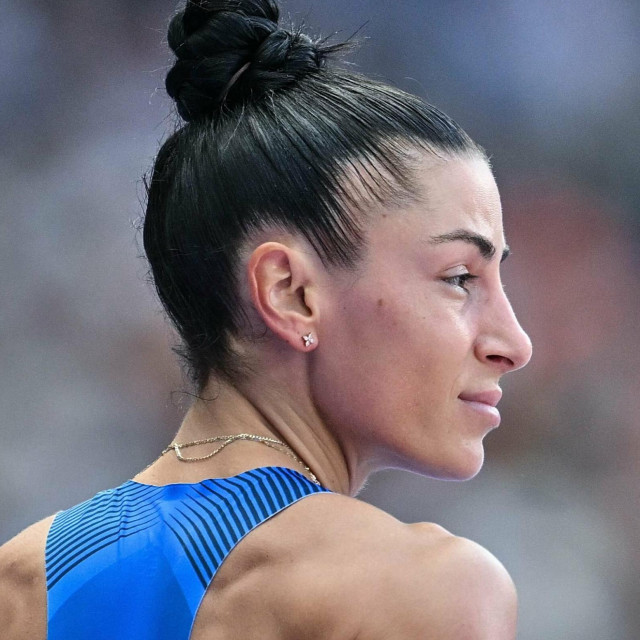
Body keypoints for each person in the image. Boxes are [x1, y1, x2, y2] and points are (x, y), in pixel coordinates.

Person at [0, 0, 532, 638]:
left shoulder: (20, 583)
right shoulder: (427, 587)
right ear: (290, 293)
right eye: (459, 279)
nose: (515, 343)